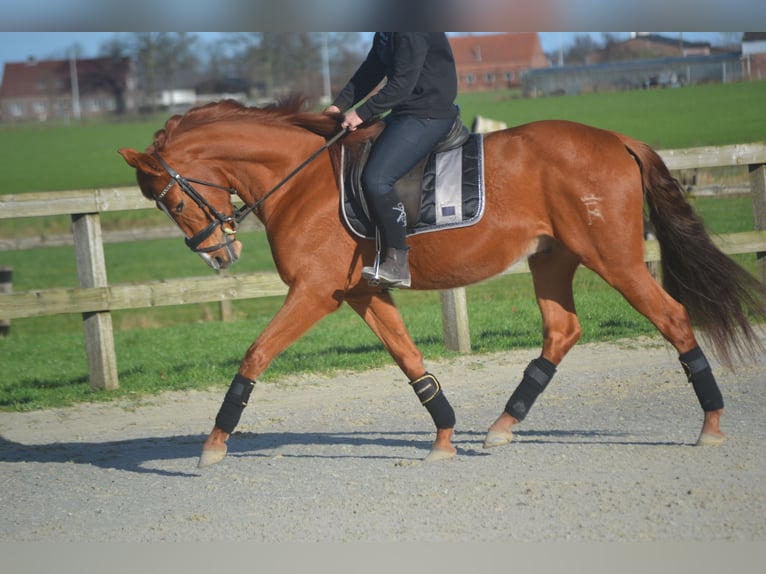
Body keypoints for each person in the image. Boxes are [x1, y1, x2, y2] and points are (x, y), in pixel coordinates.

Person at [324, 32, 459, 288]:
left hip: (428, 114)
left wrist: (361, 113)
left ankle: (397, 262)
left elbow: (402, 84)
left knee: (376, 179)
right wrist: (338, 106)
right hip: (404, 114)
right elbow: (370, 71)